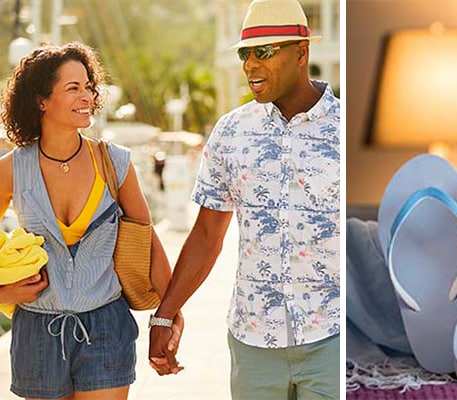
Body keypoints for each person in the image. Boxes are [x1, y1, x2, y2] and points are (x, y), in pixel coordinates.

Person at [147, 0, 341, 398]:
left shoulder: (342, 131)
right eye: (245, 53)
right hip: (253, 341)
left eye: (265, 52)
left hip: (332, 338)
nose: (251, 65)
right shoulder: (231, 133)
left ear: (301, 53)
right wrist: (164, 317)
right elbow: (205, 235)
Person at [0, 42, 182, 399]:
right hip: (37, 330)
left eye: (89, 87)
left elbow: (146, 239)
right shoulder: (11, 169)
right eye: (73, 88)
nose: (87, 96)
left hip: (105, 324)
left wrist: (169, 313)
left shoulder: (114, 162)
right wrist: (2, 292)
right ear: (41, 100)